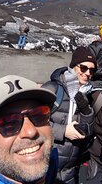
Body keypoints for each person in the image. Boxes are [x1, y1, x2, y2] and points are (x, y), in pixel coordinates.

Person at [42, 46, 96, 184]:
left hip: (70, 169)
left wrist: (87, 111)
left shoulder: (86, 94)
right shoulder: (53, 89)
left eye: (92, 70)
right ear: (73, 67)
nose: (87, 73)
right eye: (83, 68)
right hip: (46, 164)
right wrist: (64, 131)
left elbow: (88, 131)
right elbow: (33, 123)